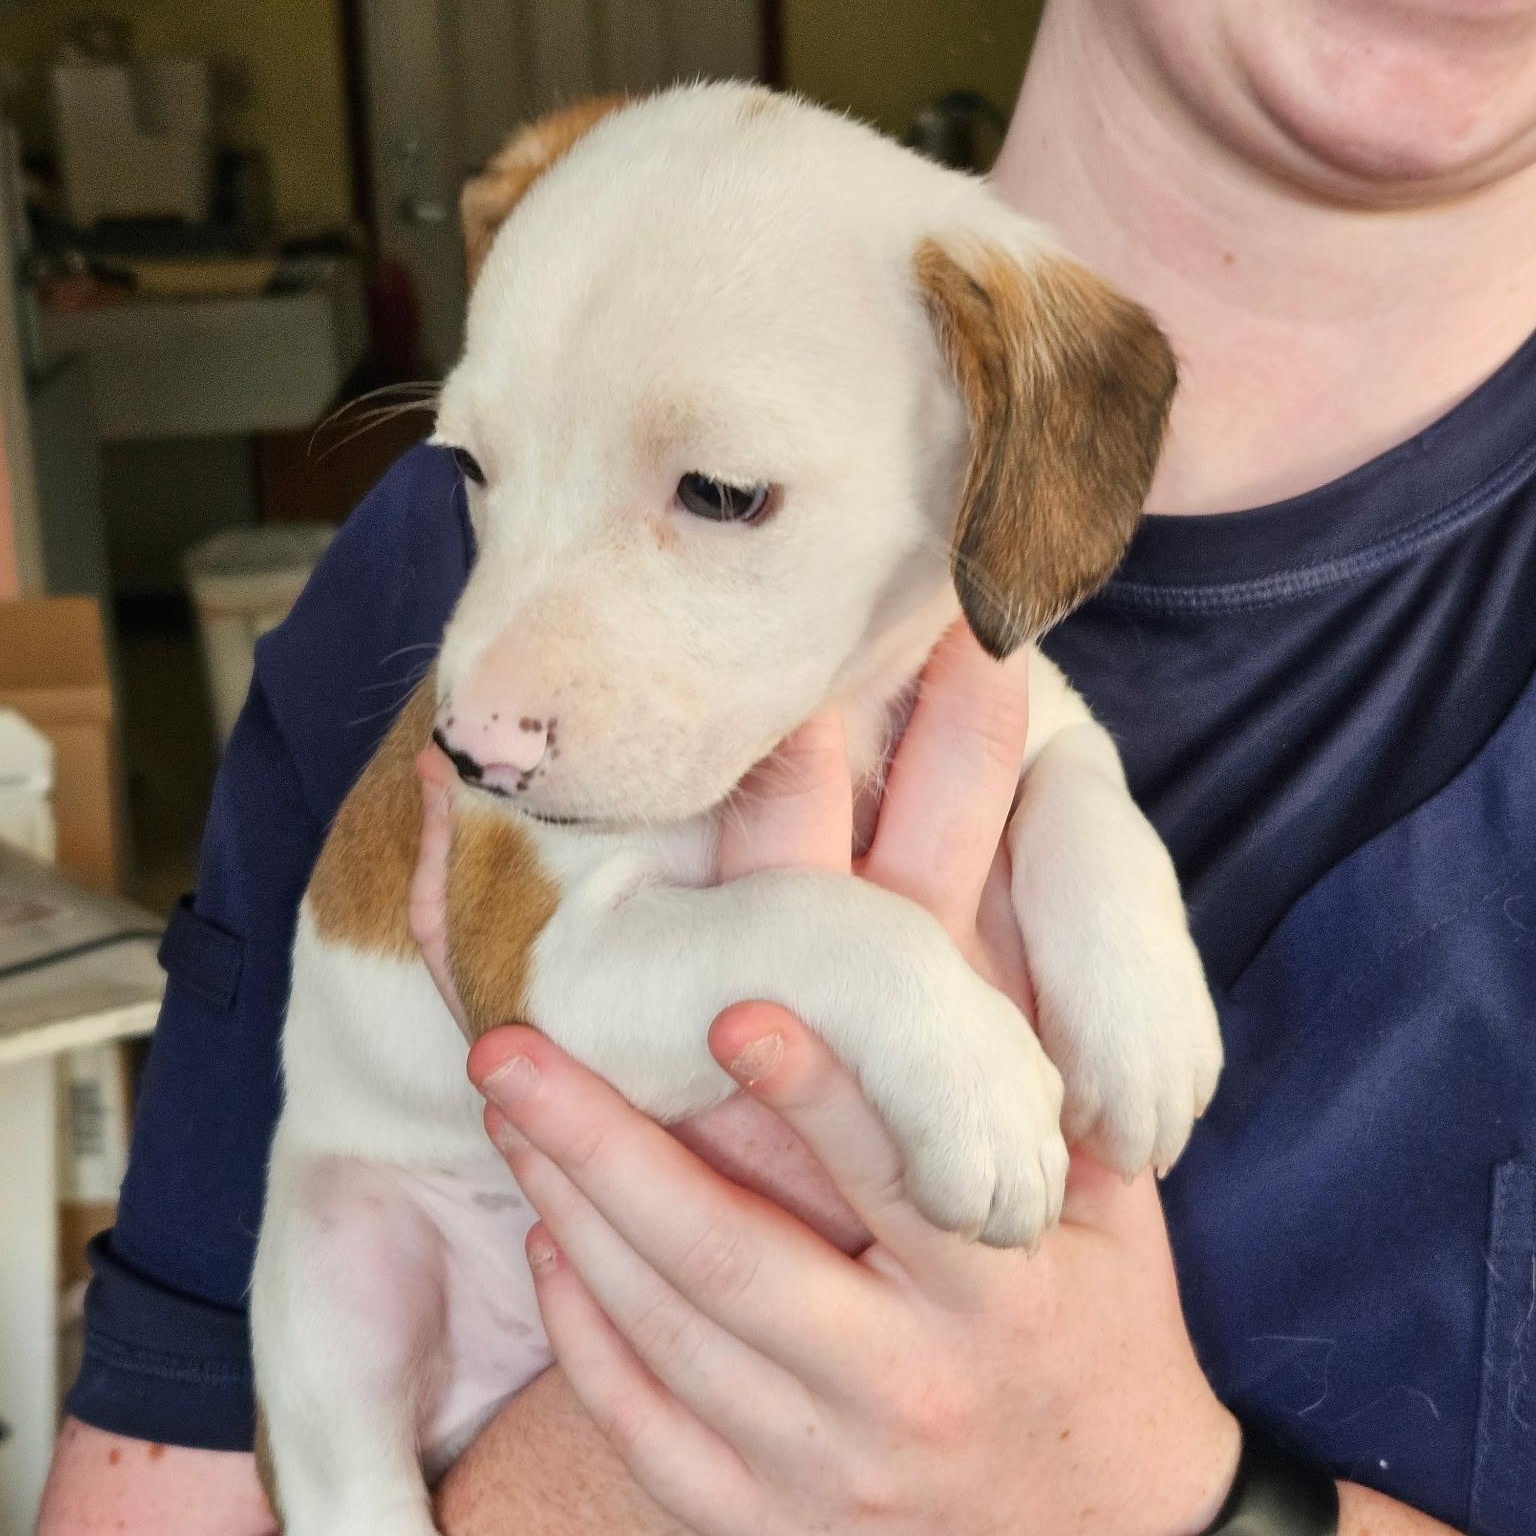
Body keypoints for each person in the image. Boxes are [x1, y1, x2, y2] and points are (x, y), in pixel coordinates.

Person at [39, 0, 1536, 1531]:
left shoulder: (957, 478)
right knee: (341, 1243)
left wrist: (1170, 1503)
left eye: (722, 491)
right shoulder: (406, 585)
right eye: (477, 466)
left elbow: (1047, 740)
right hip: (429, 1250)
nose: (477, 715)